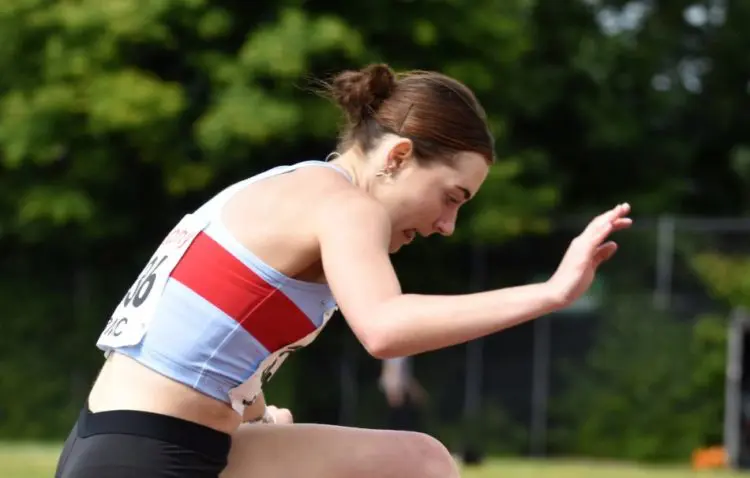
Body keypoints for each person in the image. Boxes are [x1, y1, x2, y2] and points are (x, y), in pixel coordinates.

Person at [54, 63, 632, 478]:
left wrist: (256, 414)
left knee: (418, 460)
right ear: (398, 156)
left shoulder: (292, 185)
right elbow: (384, 328)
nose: (447, 225)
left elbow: (206, 341)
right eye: (451, 197)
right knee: (422, 464)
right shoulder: (346, 206)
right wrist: (550, 293)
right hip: (148, 455)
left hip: (120, 442)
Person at [379, 356, 428, 432]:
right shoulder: (397, 354)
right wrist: (393, 390)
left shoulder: (402, 355)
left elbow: (405, 375)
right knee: (400, 424)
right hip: (397, 394)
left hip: (402, 393)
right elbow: (392, 370)